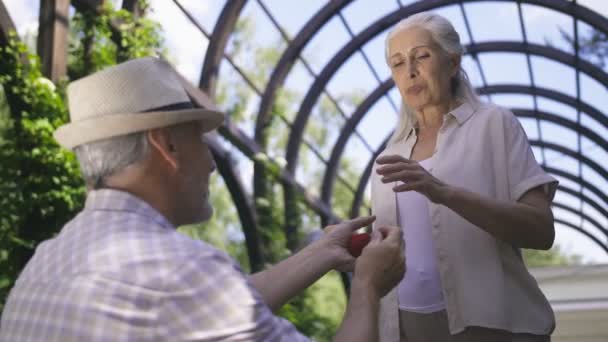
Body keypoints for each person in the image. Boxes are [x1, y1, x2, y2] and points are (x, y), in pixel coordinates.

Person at [0, 57, 405, 341]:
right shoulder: (182, 272)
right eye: (200, 139)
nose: (211, 162)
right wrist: (367, 286)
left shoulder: (46, 260)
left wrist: (325, 253)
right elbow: (194, 293)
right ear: (167, 145)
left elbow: (214, 306)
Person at [371, 12, 558, 342]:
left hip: (493, 326)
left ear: (453, 62)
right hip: (406, 330)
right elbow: (389, 249)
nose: (409, 71)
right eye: (397, 63)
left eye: (422, 56)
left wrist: (442, 192)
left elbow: (541, 231)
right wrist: (355, 247)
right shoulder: (388, 156)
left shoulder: (495, 125)